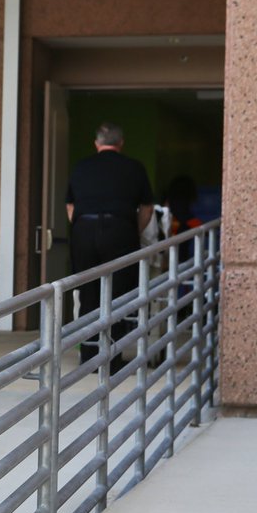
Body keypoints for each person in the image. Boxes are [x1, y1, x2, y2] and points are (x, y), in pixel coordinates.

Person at [65, 122, 154, 375]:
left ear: (96, 143)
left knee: (88, 291)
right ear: (121, 143)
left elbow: (70, 207)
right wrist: (129, 230)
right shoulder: (134, 167)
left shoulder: (82, 166)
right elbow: (147, 208)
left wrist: (86, 227)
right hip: (120, 229)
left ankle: (88, 355)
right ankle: (112, 358)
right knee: (119, 293)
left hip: (84, 229)